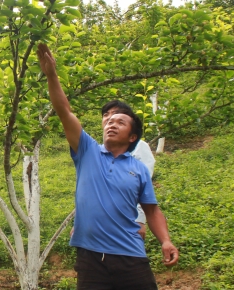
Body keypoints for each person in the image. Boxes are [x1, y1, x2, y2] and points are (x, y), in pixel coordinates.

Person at [37, 43, 178, 289]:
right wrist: (51, 75)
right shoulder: (88, 151)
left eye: (120, 122)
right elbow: (64, 111)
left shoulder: (139, 168)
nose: (111, 124)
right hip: (91, 257)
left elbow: (152, 211)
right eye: (108, 121)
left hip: (131, 255)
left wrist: (165, 241)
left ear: (132, 137)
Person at [101, 100, 156, 240]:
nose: (109, 118)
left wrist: (140, 219)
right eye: (106, 114)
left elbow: (142, 187)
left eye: (115, 114)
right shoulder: (97, 151)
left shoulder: (139, 147)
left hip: (127, 221)